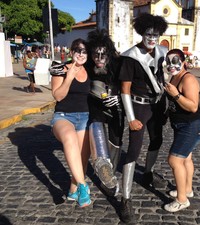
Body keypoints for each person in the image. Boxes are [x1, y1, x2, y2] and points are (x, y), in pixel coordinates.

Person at [118, 13, 168, 223]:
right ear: (141, 32)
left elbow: (163, 75)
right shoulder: (130, 56)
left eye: (156, 35)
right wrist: (130, 117)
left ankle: (148, 173)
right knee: (133, 150)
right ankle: (125, 199)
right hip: (137, 107)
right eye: (148, 34)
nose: (152, 38)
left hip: (156, 105)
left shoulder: (162, 52)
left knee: (157, 140)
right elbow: (125, 89)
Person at [49, 38, 91, 208]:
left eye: (84, 51)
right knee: (69, 137)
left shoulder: (91, 71)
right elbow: (57, 96)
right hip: (63, 116)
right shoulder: (60, 69)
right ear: (71, 52)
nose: (81, 54)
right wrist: (69, 78)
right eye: (78, 50)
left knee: (82, 159)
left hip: (85, 117)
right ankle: (83, 186)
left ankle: (73, 189)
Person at [163, 49, 200, 212]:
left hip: (192, 126)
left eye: (175, 61)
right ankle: (187, 189)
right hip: (181, 126)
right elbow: (174, 104)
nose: (171, 64)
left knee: (175, 161)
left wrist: (175, 95)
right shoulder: (174, 77)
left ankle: (182, 199)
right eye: (168, 61)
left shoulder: (189, 79)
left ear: (182, 61)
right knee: (186, 159)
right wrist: (167, 113)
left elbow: (193, 106)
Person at [85, 29, 124, 196]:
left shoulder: (119, 65)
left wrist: (120, 97)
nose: (99, 59)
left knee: (116, 140)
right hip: (96, 107)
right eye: (96, 54)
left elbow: (131, 85)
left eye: (103, 55)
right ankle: (104, 171)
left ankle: (112, 171)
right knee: (96, 129)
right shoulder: (87, 65)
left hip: (116, 108)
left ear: (109, 54)